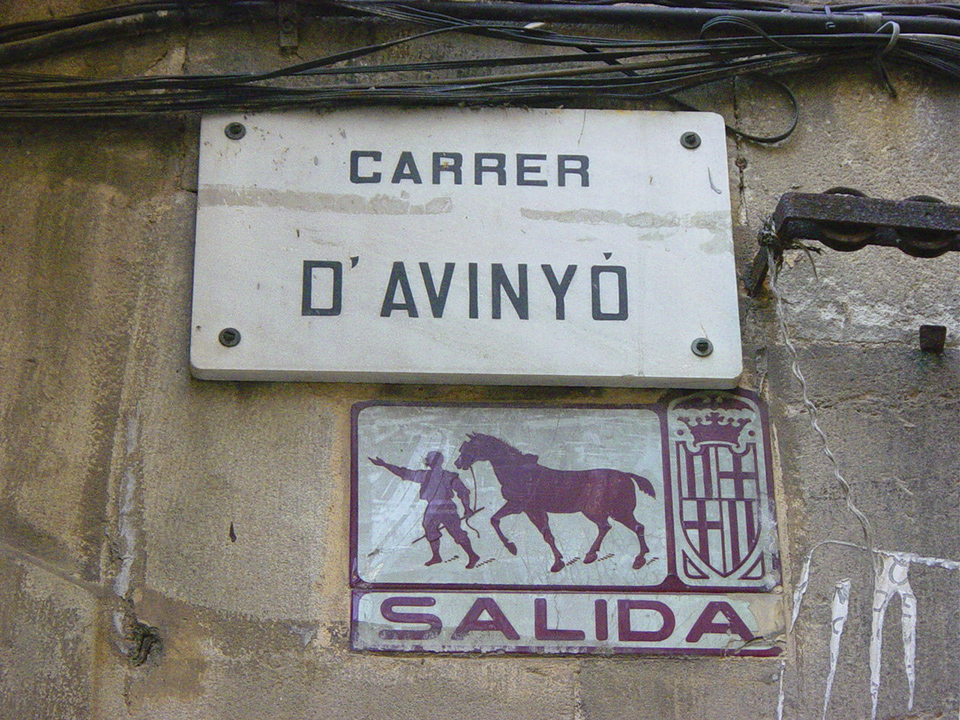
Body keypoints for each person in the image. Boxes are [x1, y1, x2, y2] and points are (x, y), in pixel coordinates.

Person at [369, 451, 480, 569]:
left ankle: (472, 555)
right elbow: (403, 472)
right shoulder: (424, 475)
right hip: (432, 508)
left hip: (446, 507)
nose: (434, 463)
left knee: (456, 531)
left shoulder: (449, 476)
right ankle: (436, 556)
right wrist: (384, 465)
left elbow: (463, 492)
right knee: (430, 529)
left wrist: (467, 508)